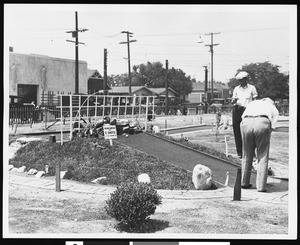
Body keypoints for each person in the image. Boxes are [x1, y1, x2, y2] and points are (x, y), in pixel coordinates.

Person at [240, 98, 279, 192]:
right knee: (262, 155)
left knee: (246, 154)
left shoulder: (253, 103)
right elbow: (273, 127)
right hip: (262, 122)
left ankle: (244, 182)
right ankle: (261, 186)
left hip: (246, 122)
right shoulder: (272, 107)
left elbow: (242, 116)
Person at [231, 71, 258, 158]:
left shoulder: (252, 88)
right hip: (238, 110)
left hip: (248, 111)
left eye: (242, 80)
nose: (240, 82)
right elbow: (233, 100)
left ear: (246, 79)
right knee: (237, 131)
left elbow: (255, 100)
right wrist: (233, 101)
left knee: (249, 132)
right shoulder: (236, 89)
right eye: (239, 80)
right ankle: (240, 152)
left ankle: (251, 151)